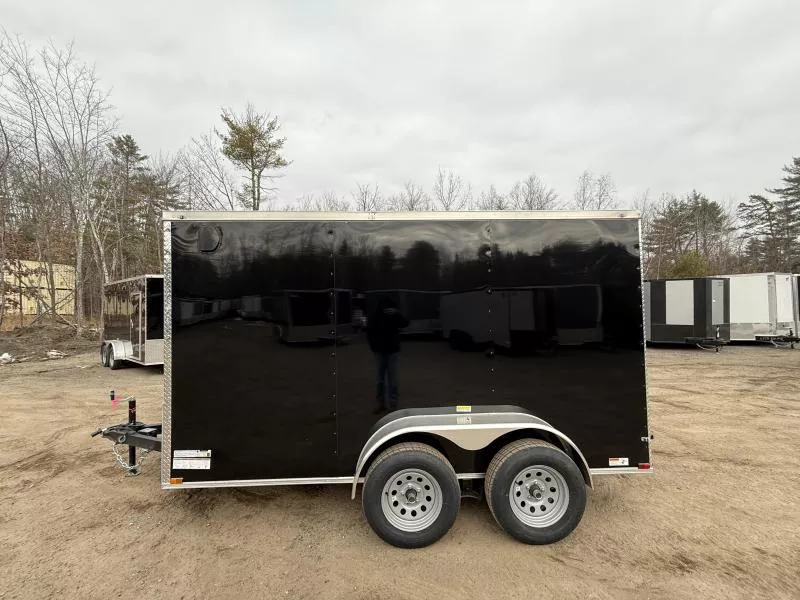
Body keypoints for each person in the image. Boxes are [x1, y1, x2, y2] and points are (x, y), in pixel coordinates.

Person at [366, 296, 409, 413]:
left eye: (389, 307)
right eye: (385, 307)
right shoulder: (375, 316)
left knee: (393, 381)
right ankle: (381, 404)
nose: (387, 309)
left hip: (392, 352)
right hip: (379, 352)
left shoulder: (394, 316)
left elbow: (405, 323)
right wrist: (373, 347)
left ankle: (393, 406)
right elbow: (369, 332)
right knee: (380, 380)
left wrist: (396, 313)